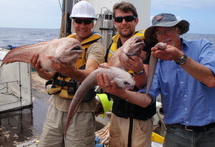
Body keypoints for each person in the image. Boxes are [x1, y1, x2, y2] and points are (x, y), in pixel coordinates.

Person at [98, 13, 215, 147]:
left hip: (210, 135)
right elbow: (146, 98)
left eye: (168, 30)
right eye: (158, 33)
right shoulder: (158, 62)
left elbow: (211, 80)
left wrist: (178, 58)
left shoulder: (202, 46)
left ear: (179, 30)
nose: (163, 36)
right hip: (175, 135)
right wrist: (121, 92)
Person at [31, 1, 104, 147]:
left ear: (93, 23)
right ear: (72, 22)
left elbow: (91, 75)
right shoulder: (62, 44)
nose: (82, 25)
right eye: (78, 21)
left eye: (87, 21)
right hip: (55, 108)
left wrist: (72, 71)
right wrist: (40, 71)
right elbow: (50, 76)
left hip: (81, 112)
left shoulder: (96, 47)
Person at [97, 2, 156, 147]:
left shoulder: (146, 45)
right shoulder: (112, 46)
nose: (124, 23)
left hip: (139, 117)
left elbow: (144, 84)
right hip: (117, 112)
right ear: (114, 23)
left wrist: (138, 69)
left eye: (128, 18)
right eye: (119, 19)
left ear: (136, 21)